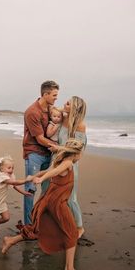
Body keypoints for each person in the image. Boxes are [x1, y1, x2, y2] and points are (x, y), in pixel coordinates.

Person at [2, 139, 85, 270]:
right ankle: (69, 268)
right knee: (72, 232)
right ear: (77, 153)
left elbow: (48, 171)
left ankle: (11, 240)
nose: (81, 157)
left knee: (39, 229)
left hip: (50, 200)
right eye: (81, 154)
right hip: (57, 203)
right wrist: (41, 179)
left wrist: (34, 176)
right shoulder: (67, 163)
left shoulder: (59, 161)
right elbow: (55, 172)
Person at [23, 80, 59, 225]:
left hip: (47, 154)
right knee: (30, 190)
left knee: (46, 189)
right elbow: (39, 139)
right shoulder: (32, 112)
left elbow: (61, 114)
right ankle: (28, 226)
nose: (56, 98)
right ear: (45, 94)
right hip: (34, 154)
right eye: (54, 95)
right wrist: (59, 147)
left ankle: (39, 218)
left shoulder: (50, 109)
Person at [50, 96, 87, 239]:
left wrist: (57, 148)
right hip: (55, 160)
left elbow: (77, 152)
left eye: (68, 103)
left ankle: (79, 227)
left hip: (69, 164)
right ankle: (55, 222)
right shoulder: (63, 117)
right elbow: (53, 109)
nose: (64, 103)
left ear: (75, 108)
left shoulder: (80, 125)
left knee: (71, 198)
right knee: (49, 191)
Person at [0, 156, 32, 243]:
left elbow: (14, 186)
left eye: (12, 168)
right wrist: (26, 180)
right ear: (2, 169)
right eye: (9, 168)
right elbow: (13, 182)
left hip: (1, 200)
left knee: (6, 218)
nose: (11, 170)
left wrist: (24, 192)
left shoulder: (10, 175)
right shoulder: (2, 177)